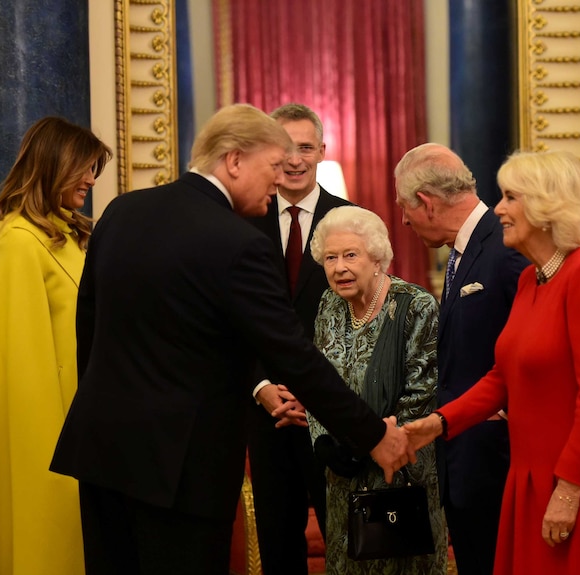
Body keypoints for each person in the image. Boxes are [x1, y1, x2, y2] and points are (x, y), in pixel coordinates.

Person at [49, 104, 414, 575]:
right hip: (182, 470)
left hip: (101, 453)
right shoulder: (237, 242)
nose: (278, 182)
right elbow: (294, 355)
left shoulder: (120, 212)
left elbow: (90, 331)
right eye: (273, 168)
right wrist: (374, 435)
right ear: (235, 161)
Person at [404, 150, 580, 575]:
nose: (498, 208)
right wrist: (437, 424)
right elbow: (502, 376)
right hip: (531, 473)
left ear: (546, 206)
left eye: (510, 197)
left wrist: (570, 487)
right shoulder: (530, 279)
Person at [0, 117, 112, 575]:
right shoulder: (16, 240)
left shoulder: (70, 236)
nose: (90, 179)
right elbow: (22, 363)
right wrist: (55, 450)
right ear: (53, 164)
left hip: (84, 422)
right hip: (46, 433)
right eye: (83, 168)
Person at [394, 143, 527, 575]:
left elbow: (529, 348)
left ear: (427, 204)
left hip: (496, 462)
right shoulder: (464, 250)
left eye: (404, 206)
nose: (403, 219)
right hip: (466, 459)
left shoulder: (505, 247)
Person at [305, 205, 448, 574]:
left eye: (351, 255)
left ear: (377, 258)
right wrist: (323, 442)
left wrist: (365, 440)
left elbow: (422, 393)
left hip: (401, 473)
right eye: (331, 257)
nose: (339, 268)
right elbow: (318, 382)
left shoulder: (415, 306)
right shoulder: (329, 305)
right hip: (342, 477)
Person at [245, 103, 351, 574]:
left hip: (330, 413)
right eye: (284, 148)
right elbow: (230, 318)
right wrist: (262, 387)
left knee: (346, 542)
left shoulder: (351, 220)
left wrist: (316, 396)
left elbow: (366, 319)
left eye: (305, 147)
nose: (294, 159)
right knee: (278, 546)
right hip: (264, 412)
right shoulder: (242, 219)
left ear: (321, 152)